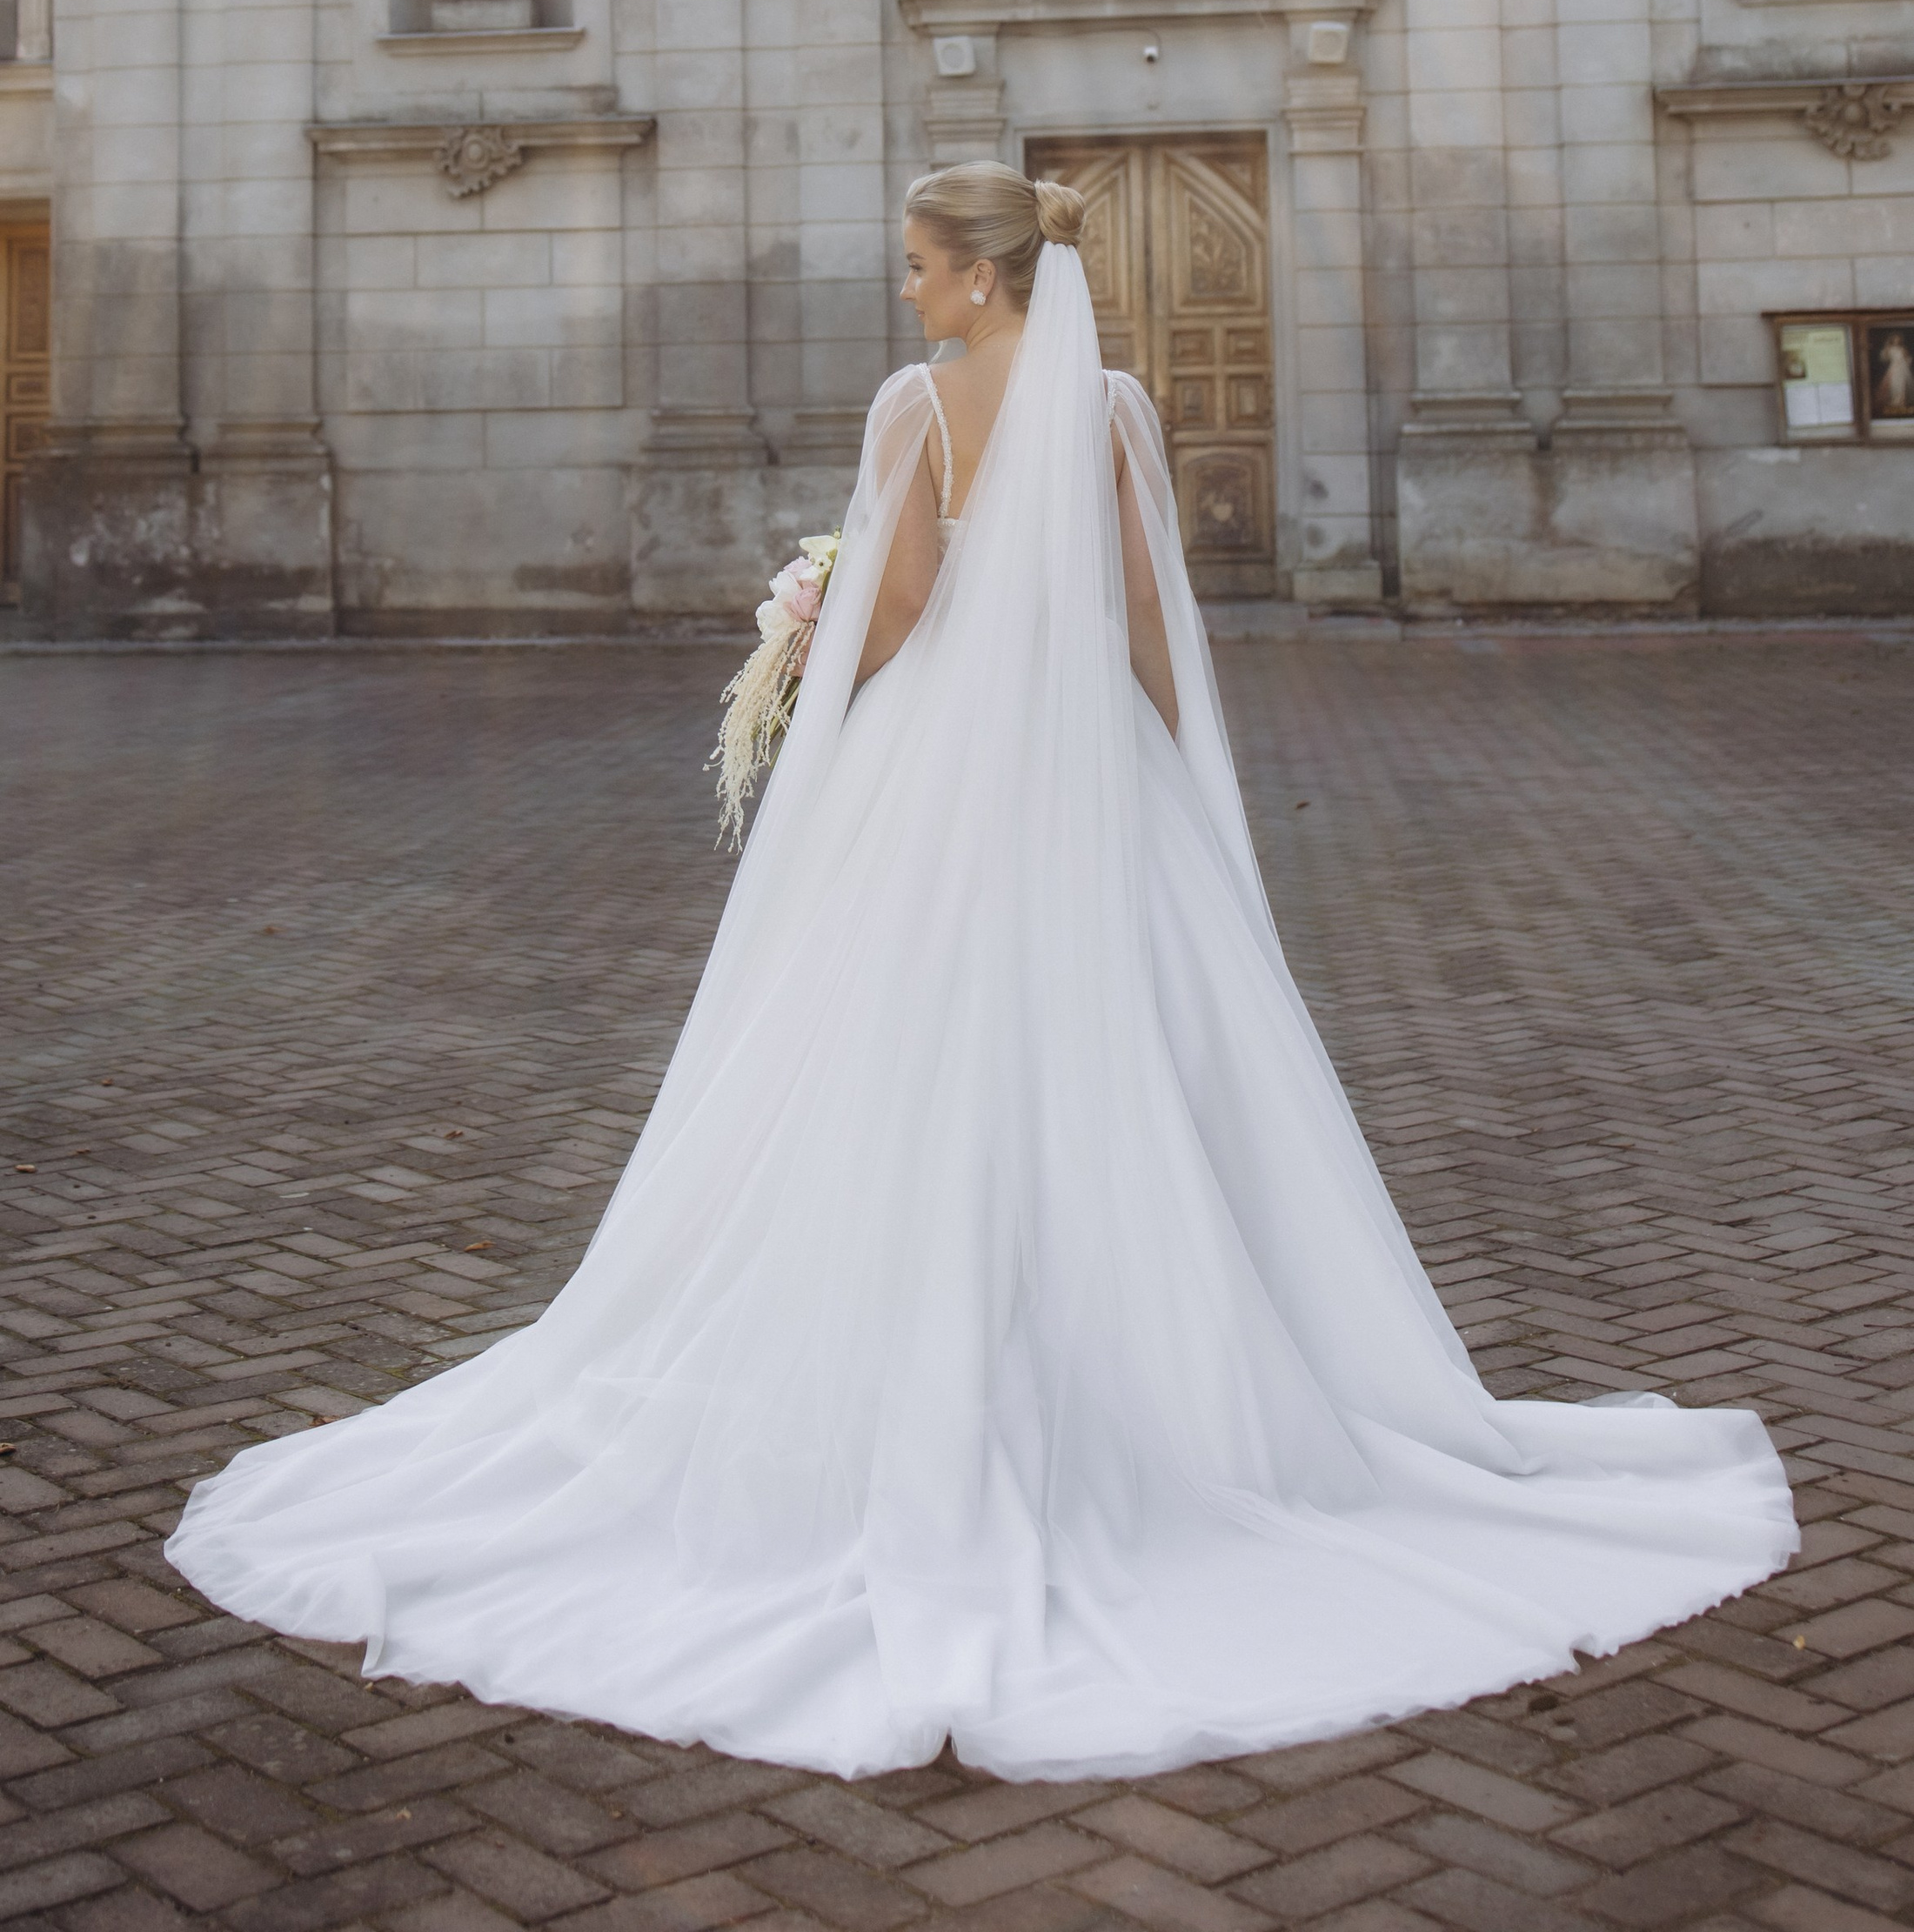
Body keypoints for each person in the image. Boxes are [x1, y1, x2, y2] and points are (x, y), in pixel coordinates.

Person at [167, 163, 1794, 1782]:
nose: (906, 289)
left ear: (981, 279)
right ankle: (1175, 1411)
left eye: (919, 264)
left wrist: (813, 652)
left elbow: (912, 601)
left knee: (889, 1053)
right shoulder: (1116, 410)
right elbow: (1154, 622)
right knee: (1130, 1057)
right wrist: (1174, 776)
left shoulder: (922, 407)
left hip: (942, 772)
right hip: (1089, 769)